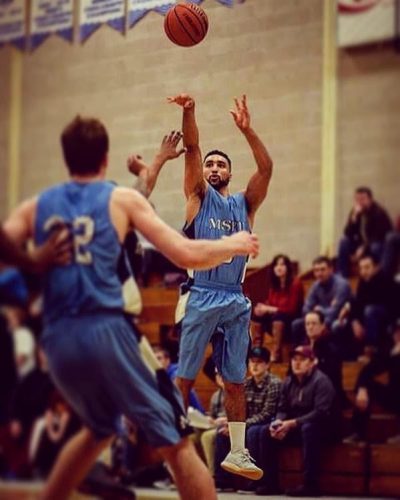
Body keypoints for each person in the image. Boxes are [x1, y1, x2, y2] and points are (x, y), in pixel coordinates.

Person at [3, 115, 260, 500]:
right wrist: (234, 244)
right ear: (105, 159)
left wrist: (34, 259)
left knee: (99, 428)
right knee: (176, 438)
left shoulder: (39, 205)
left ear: (66, 158)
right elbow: (183, 251)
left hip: (56, 341)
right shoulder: (118, 200)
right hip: (105, 330)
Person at [167, 93, 273, 480]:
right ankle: (173, 438)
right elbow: (193, 146)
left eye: (220, 164)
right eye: (210, 163)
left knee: (235, 379)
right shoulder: (198, 196)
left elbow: (267, 167)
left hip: (235, 298)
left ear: (229, 172)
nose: (213, 167)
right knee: (186, 373)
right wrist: (189, 110)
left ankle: (240, 452)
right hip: (202, 292)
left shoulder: (245, 205)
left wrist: (247, 130)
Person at [255, 345, 337, 497]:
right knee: (265, 432)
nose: (297, 363)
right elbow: (282, 408)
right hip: (296, 427)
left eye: (302, 359)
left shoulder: (321, 381)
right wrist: (278, 423)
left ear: (312, 362)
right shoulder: (288, 382)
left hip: (322, 429)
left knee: (309, 429)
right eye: (294, 359)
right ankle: (270, 483)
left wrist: (292, 423)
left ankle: (311, 485)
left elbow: (321, 412)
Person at [213, 347, 281, 492]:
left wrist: (244, 425)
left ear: (268, 364)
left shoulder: (274, 383)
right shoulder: (246, 383)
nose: (255, 365)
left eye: (260, 362)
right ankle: (223, 481)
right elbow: (241, 410)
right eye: (252, 361)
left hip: (268, 423)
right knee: (222, 433)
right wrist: (231, 426)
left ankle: (259, 482)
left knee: (254, 433)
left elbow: (267, 413)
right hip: (250, 424)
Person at [344, 318, 400, 444]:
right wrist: (362, 389)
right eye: (396, 332)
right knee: (367, 385)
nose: (398, 336)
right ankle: (359, 432)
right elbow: (369, 369)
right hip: (395, 397)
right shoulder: (392, 351)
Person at [291, 256, 352, 346]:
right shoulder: (315, 286)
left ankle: (336, 356)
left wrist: (319, 310)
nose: (319, 273)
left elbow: (335, 312)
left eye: (322, 270)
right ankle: (300, 355)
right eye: (316, 270)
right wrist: (318, 315)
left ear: (331, 269)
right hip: (320, 320)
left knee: (335, 325)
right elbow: (306, 308)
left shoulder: (342, 284)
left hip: (339, 319)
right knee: (296, 324)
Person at [252, 254, 303, 361]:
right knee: (257, 315)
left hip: (291, 318)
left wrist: (269, 309)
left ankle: (276, 353)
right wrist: (262, 309)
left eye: (282, 265)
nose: (279, 267)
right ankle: (256, 351)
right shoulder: (274, 285)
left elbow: (292, 309)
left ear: (288, 268)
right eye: (276, 265)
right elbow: (271, 303)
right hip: (277, 316)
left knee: (278, 317)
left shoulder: (296, 283)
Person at [337, 187, 393, 277]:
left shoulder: (378, 212)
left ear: (370, 199)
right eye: (357, 199)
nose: (360, 202)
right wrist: (353, 219)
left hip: (378, 243)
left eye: (363, 199)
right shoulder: (355, 211)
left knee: (375, 247)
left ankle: (378, 275)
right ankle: (342, 276)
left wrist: (363, 249)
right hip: (361, 244)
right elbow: (348, 233)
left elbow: (377, 236)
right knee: (344, 241)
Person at [350, 253, 396, 355]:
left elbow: (394, 307)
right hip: (370, 315)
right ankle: (350, 355)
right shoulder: (363, 280)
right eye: (361, 268)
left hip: (388, 315)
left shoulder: (387, 280)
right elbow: (357, 302)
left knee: (370, 310)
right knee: (344, 322)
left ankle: (371, 349)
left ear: (376, 268)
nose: (363, 271)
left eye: (367, 267)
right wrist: (355, 321)